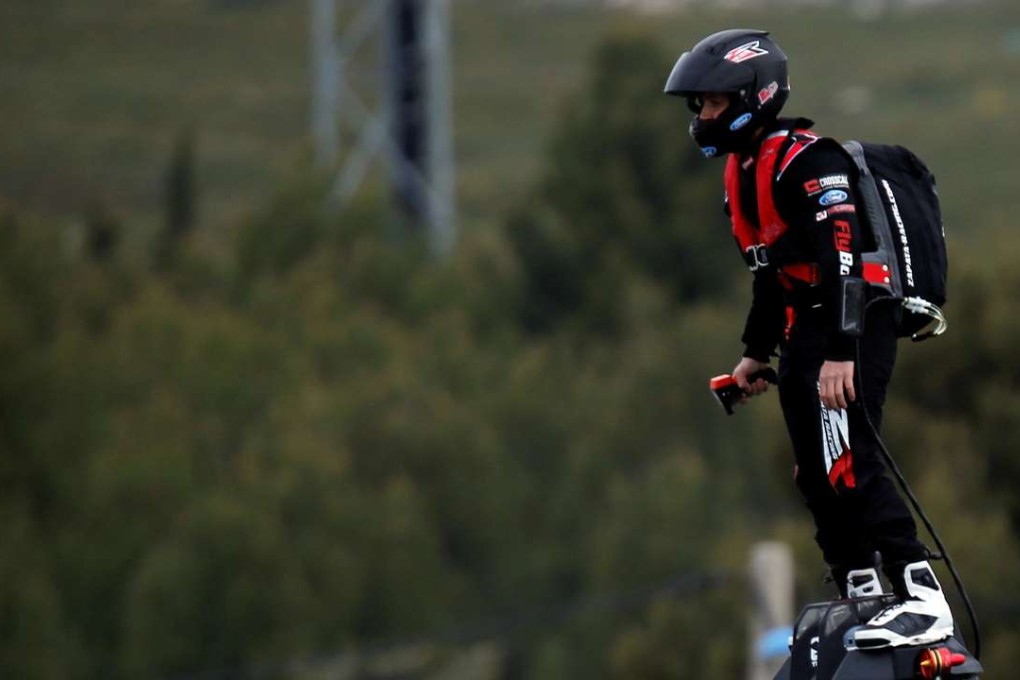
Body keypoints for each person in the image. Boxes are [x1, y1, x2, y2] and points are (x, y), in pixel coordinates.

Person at [663, 29, 953, 649]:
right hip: (807, 328)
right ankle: (860, 593)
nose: (704, 115)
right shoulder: (744, 172)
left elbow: (842, 256)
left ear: (754, 97)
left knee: (850, 458)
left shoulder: (809, 162)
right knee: (816, 472)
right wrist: (753, 354)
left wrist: (842, 353)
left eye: (714, 102)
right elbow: (769, 275)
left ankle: (924, 599)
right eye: (701, 104)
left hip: (856, 319)